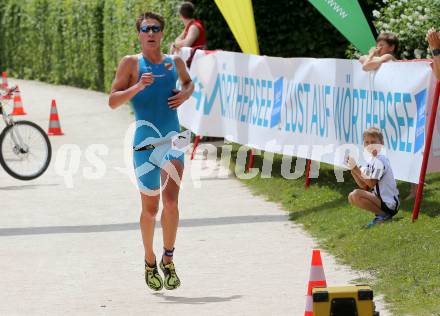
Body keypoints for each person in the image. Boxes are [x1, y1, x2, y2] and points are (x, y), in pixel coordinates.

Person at [108, 11, 194, 291]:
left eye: (156, 28)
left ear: (162, 32)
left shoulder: (174, 62)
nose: (151, 33)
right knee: (150, 209)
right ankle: (149, 260)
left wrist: (186, 93)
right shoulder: (130, 63)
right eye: (146, 29)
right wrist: (137, 86)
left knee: (172, 204)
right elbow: (112, 101)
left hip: (174, 139)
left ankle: (169, 260)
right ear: (139, 34)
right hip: (145, 142)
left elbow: (188, 82)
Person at [345, 127, 400, 228]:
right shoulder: (372, 160)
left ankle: (384, 216)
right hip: (381, 201)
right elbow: (363, 184)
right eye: (367, 142)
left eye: (373, 142)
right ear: (364, 145)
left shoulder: (381, 160)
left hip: (389, 204)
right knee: (352, 197)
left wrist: (357, 169)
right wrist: (353, 170)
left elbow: (371, 183)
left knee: (356, 194)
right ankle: (382, 216)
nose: (370, 145)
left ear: (381, 143)